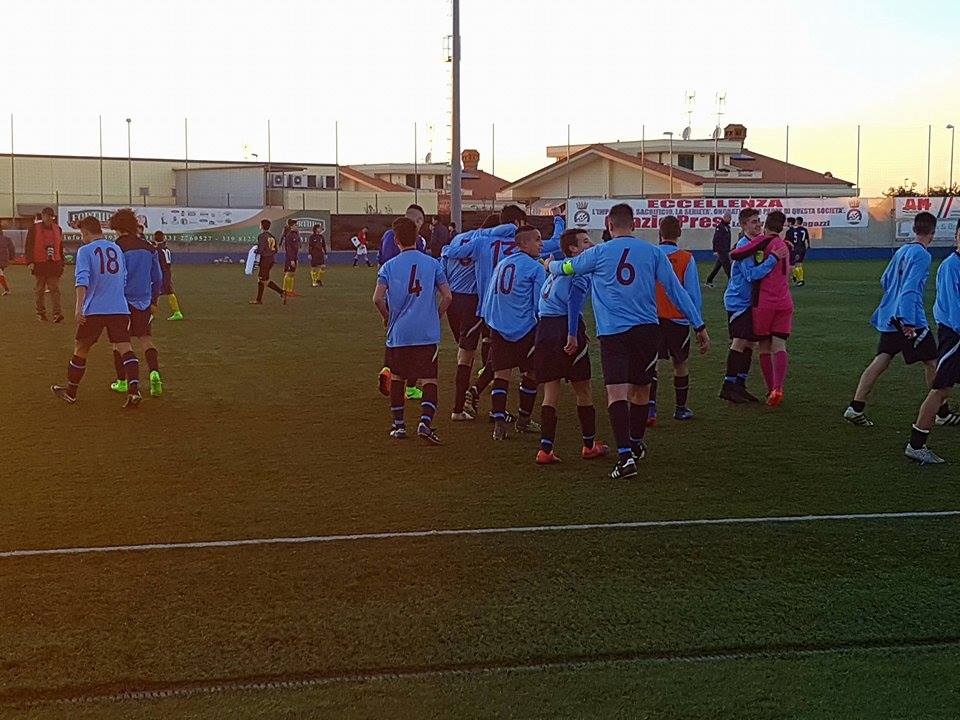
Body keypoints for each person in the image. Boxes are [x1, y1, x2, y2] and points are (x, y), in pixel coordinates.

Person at [545, 203, 710, 479]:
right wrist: (699, 324)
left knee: (617, 393)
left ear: (609, 225)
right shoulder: (653, 253)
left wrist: (549, 264)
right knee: (641, 392)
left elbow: (567, 268)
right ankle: (635, 443)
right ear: (634, 225)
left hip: (613, 333)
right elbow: (676, 292)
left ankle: (625, 457)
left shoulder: (597, 253)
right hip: (647, 331)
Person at [843, 212, 945, 427]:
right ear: (933, 232)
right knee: (932, 361)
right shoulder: (923, 255)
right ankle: (941, 412)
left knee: (882, 358)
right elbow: (909, 289)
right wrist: (907, 320)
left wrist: (894, 302)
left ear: (914, 228)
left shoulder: (903, 250)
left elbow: (885, 279)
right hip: (909, 319)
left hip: (891, 315)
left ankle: (855, 406)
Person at [440, 205, 529, 419]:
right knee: (493, 351)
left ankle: (470, 401)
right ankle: (465, 404)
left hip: (454, 298)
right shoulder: (490, 241)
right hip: (477, 300)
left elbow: (446, 258)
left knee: (478, 349)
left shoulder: (461, 237)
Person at [373, 216, 452, 444]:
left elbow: (377, 298)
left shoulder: (388, 266)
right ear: (418, 238)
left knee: (397, 378)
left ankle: (399, 427)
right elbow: (448, 296)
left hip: (400, 333)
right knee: (429, 380)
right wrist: (435, 315)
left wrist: (387, 317)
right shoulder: (433, 264)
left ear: (396, 240)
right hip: (426, 333)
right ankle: (425, 423)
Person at [534, 227, 609, 464]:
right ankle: (589, 445)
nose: (591, 245)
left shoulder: (556, 271)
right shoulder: (578, 273)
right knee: (583, 389)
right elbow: (574, 303)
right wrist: (572, 333)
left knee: (550, 392)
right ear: (573, 249)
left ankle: (545, 449)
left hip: (544, 329)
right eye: (585, 242)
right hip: (565, 328)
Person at [51, 215, 141, 408]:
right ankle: (134, 391)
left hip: (95, 309)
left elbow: (82, 280)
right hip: (119, 307)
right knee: (125, 347)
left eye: (82, 233)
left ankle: (71, 391)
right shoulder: (117, 249)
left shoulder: (85, 251)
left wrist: (78, 308)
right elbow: (123, 277)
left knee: (81, 348)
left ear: (86, 232)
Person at [482, 224, 546, 440]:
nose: (541, 243)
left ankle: (499, 423)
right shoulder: (536, 267)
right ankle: (524, 420)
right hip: (525, 328)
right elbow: (540, 305)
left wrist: (492, 322)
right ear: (523, 243)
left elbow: (491, 295)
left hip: (499, 327)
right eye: (537, 239)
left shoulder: (502, 263)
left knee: (501, 376)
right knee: (532, 374)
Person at [904, 220, 960, 464]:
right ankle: (916, 445)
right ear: (956, 235)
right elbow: (953, 308)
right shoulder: (951, 266)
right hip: (955, 335)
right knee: (941, 389)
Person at [729, 210, 794, 407]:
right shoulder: (784, 245)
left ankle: (769, 389)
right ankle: (778, 388)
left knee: (764, 346)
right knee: (780, 345)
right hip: (785, 301)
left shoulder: (762, 242)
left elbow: (735, 254)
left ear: (766, 226)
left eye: (760, 223)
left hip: (765, 303)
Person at [649, 215, 702, 425]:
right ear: (679, 234)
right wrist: (697, 322)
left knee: (652, 364)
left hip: (652, 318)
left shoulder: (651, 255)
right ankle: (680, 408)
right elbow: (692, 293)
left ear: (659, 233)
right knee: (680, 363)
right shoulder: (686, 258)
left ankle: (650, 409)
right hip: (678, 319)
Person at [107, 209, 164, 398]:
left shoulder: (116, 248)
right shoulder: (149, 248)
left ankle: (123, 381)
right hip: (145, 299)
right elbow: (158, 277)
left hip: (122, 301)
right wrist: (154, 299)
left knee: (119, 342)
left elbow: (114, 276)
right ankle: (155, 373)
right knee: (146, 338)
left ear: (117, 227)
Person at [376, 206, 429, 401]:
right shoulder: (417, 241)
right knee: (415, 341)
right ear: (417, 222)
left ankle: (388, 367)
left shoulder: (387, 236)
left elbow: (382, 262)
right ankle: (411, 387)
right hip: (413, 297)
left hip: (391, 294)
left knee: (393, 335)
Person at [25, 207, 65, 322]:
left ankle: (57, 314)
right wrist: (30, 261)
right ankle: (40, 312)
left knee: (54, 289)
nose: (49, 218)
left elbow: (60, 247)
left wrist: (61, 262)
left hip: (54, 264)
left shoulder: (58, 229)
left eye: (51, 216)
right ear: (42, 216)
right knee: (40, 289)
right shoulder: (34, 228)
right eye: (47, 215)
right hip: (39, 263)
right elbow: (29, 245)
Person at [251, 219, 284, 304]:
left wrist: (255, 251)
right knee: (260, 279)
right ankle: (258, 300)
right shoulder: (271, 236)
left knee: (264, 280)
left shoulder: (262, 236)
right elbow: (276, 249)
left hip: (265, 260)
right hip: (271, 259)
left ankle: (282, 292)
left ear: (262, 226)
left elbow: (261, 249)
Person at [154, 231, 183, 320]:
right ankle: (176, 312)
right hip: (167, 271)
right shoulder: (166, 248)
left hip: (162, 272)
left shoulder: (157, 250)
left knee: (158, 291)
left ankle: (177, 312)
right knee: (165, 291)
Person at [704, 212, 732, 288]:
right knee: (728, 268)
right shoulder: (720, 227)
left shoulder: (727, 227)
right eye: (729, 218)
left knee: (717, 267)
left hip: (725, 251)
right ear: (725, 218)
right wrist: (715, 250)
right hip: (722, 251)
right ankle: (732, 282)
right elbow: (716, 239)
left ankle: (709, 280)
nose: (730, 219)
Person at [281, 218, 301, 299]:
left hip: (294, 256)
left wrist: (296, 259)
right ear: (291, 226)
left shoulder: (295, 234)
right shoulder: (289, 235)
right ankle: (285, 291)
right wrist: (292, 259)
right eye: (295, 225)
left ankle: (290, 290)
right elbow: (289, 249)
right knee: (288, 273)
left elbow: (295, 247)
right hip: (290, 257)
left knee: (292, 274)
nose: (297, 226)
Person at [791, 217, 810, 286]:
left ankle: (800, 280)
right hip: (803, 248)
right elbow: (807, 239)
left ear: (797, 222)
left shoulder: (795, 230)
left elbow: (795, 240)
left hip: (797, 248)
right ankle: (795, 276)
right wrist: (809, 245)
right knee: (799, 264)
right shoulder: (805, 230)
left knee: (797, 264)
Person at [0, 229, 15, 295]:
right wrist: (11, 257)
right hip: (3, 260)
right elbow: (12, 248)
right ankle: (7, 289)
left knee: (0, 274)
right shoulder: (6, 239)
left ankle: (7, 290)